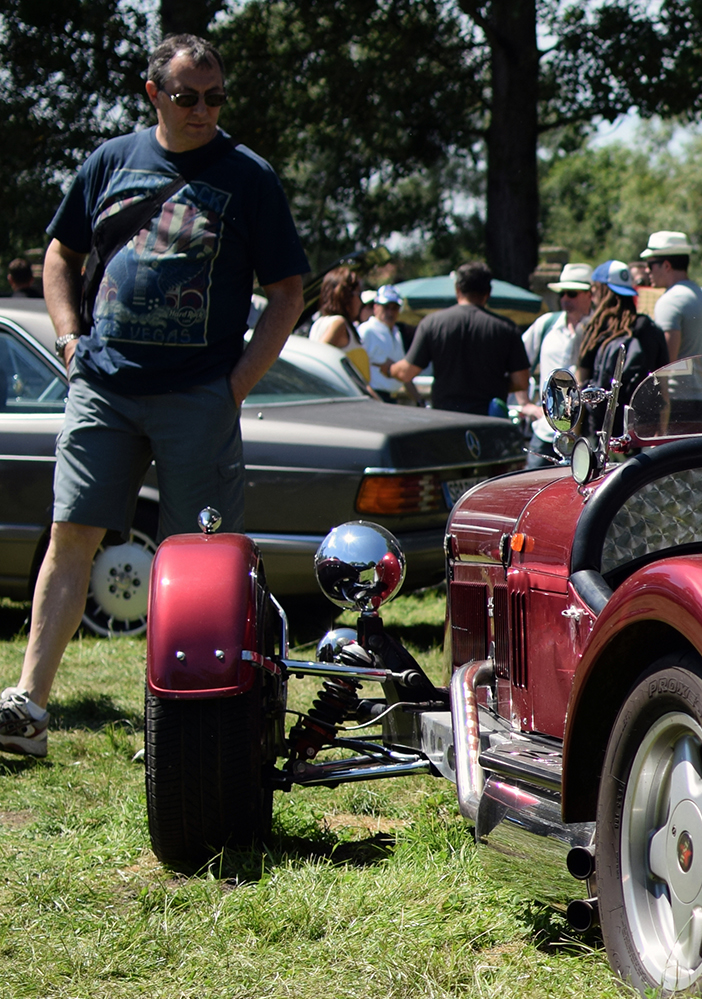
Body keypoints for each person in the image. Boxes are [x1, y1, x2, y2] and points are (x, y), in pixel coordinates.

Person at [0, 33, 307, 759]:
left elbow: (288, 290)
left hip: (197, 395)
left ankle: (177, 725)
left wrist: (234, 386)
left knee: (197, 557)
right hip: (102, 386)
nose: (203, 110)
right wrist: (70, 339)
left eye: (215, 97)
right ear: (153, 94)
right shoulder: (110, 160)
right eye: (187, 96)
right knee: (70, 536)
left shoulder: (249, 176)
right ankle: (29, 709)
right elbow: (60, 254)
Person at [389, 261, 528, 417]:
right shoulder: (507, 328)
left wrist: (390, 368)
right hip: (488, 420)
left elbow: (406, 373)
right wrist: (495, 385)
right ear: (488, 292)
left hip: (447, 420)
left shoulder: (432, 323)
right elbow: (521, 381)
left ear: (457, 289)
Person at [638, 231, 702, 416]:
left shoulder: (670, 301)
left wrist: (661, 414)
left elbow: (665, 364)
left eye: (650, 264)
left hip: (677, 405)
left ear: (666, 265)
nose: (646, 270)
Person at [520, 261, 592, 409]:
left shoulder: (598, 330)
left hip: (583, 424)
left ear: (589, 295)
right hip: (544, 427)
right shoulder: (546, 324)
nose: (565, 299)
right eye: (561, 293)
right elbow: (517, 361)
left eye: (572, 293)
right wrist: (525, 404)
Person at [309, 265, 371, 384]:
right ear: (346, 296)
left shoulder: (320, 322)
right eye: (358, 294)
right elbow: (317, 359)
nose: (361, 301)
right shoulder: (338, 324)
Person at [358, 285, 414, 403]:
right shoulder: (366, 330)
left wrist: (418, 399)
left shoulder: (396, 332)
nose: (390, 312)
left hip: (393, 397)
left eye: (394, 308)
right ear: (376, 307)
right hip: (374, 396)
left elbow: (402, 368)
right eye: (386, 307)